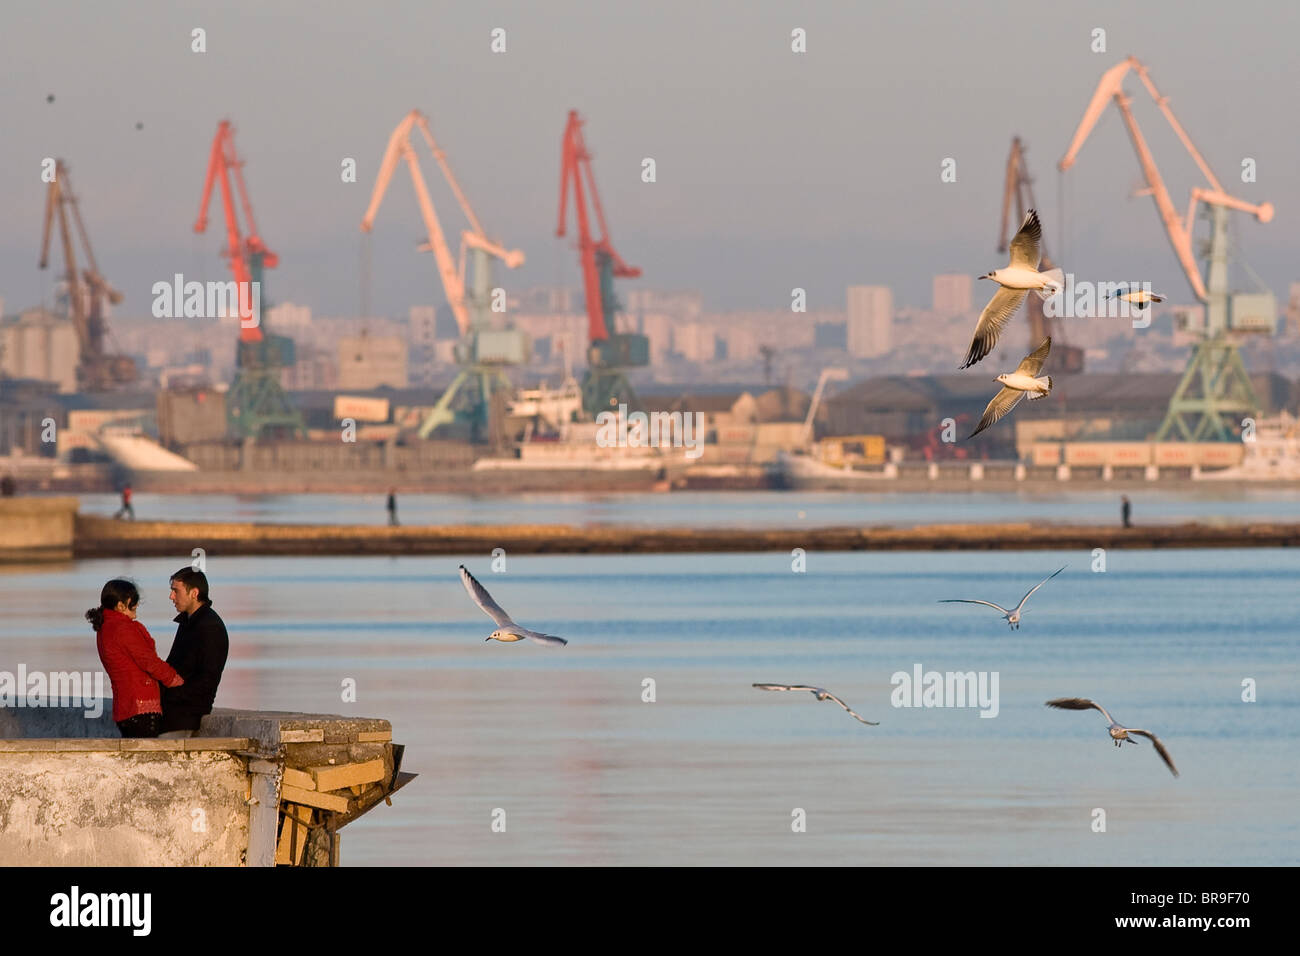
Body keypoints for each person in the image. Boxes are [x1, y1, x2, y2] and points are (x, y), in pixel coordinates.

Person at [88, 579, 185, 738]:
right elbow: (148, 661)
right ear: (121, 605)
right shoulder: (123, 628)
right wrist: (174, 679)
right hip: (140, 707)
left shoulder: (105, 628)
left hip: (124, 708)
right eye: (133, 601)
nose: (137, 604)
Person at [159, 568, 229, 738]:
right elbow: (173, 666)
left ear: (194, 593)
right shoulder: (188, 622)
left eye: (176, 591)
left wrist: (170, 695)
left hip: (185, 716)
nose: (171, 596)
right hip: (171, 711)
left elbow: (207, 680)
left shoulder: (210, 627)